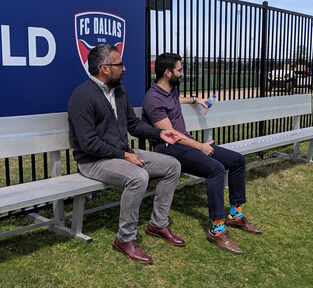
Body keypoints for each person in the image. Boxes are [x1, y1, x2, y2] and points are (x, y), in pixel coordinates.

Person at [68, 45, 186, 265]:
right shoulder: (82, 96)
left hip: (121, 153)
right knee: (138, 177)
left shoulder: (119, 92)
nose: (124, 68)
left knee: (172, 165)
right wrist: (123, 155)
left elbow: (133, 124)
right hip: (93, 161)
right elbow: (88, 143)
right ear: (104, 68)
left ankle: (158, 225)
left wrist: (160, 132)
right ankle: (125, 239)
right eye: (119, 64)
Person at [142, 53, 262, 255]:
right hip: (168, 148)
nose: (182, 72)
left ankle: (235, 214)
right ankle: (217, 229)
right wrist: (200, 146)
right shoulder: (152, 99)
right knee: (215, 169)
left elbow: (176, 99)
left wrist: (196, 99)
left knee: (237, 160)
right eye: (179, 69)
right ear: (167, 72)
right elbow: (171, 136)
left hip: (185, 145)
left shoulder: (171, 88)